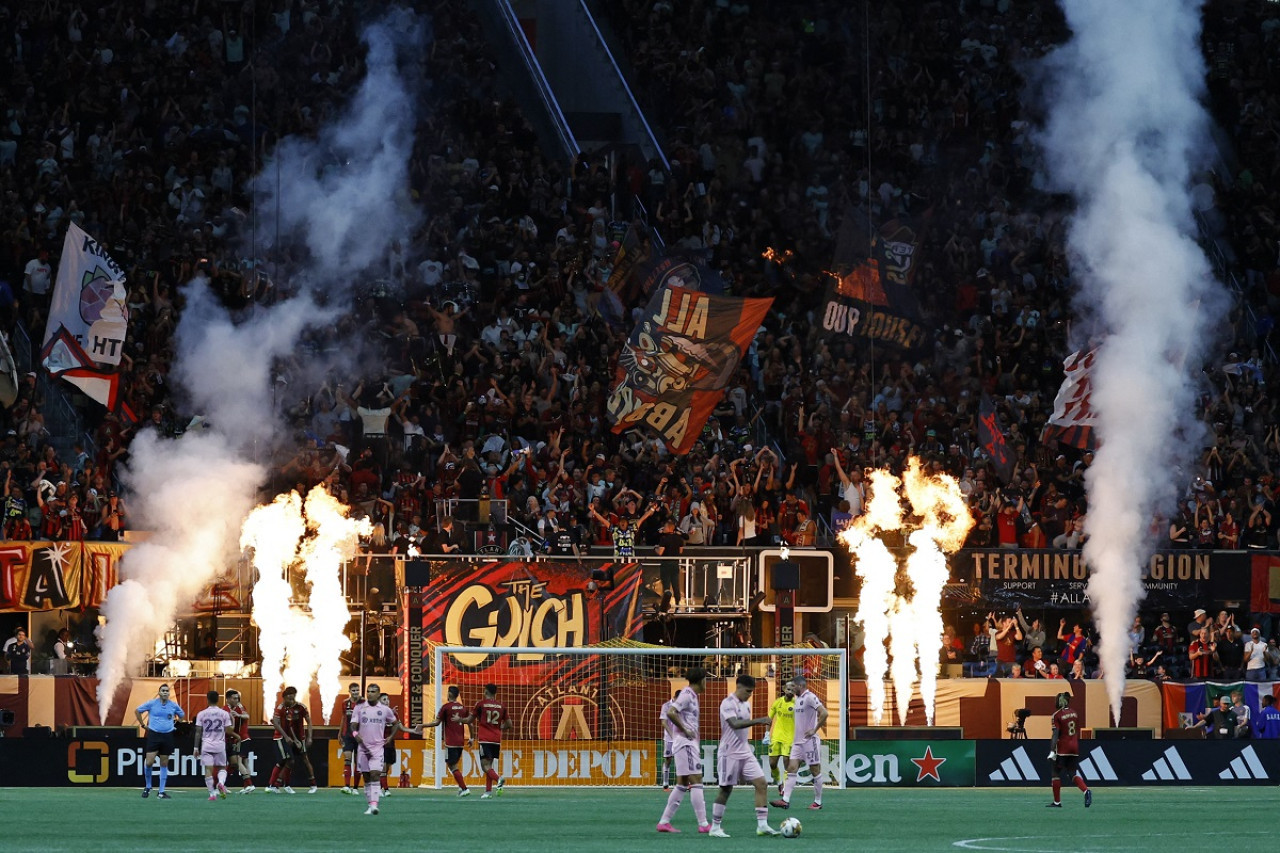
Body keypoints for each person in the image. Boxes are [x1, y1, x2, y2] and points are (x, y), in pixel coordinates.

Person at [708, 674, 781, 838]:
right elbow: (734, 724)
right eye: (747, 691)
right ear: (738, 686)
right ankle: (715, 827)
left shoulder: (746, 704)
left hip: (745, 751)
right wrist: (758, 721)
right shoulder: (727, 703)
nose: (749, 695)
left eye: (752, 692)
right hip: (729, 753)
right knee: (726, 789)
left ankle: (762, 826)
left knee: (762, 783)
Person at [354, 683, 421, 815]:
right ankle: (382, 792)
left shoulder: (389, 713)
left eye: (387, 699)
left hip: (389, 745)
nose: (386, 701)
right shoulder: (366, 710)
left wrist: (412, 730)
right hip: (374, 747)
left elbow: (399, 726)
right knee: (376, 772)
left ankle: (378, 792)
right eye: (384, 699)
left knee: (384, 769)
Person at [657, 667, 710, 834]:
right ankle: (703, 824)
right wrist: (685, 730)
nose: (706, 682)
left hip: (686, 743)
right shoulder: (687, 694)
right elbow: (671, 712)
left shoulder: (692, 696)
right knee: (697, 781)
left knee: (682, 784)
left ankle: (664, 822)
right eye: (706, 679)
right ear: (701, 680)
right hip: (685, 743)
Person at [771, 674, 827, 811]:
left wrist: (814, 730)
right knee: (791, 768)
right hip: (797, 743)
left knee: (815, 770)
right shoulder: (798, 700)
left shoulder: (810, 697)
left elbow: (824, 713)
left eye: (794, 686)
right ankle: (785, 800)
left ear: (800, 686)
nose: (792, 688)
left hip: (809, 741)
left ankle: (818, 802)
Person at [135, 683, 185, 799]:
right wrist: (142, 725)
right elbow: (137, 711)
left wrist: (175, 725)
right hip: (154, 735)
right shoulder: (152, 703)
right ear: (159, 692)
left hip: (167, 736)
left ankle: (161, 791)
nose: (165, 692)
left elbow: (181, 715)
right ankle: (148, 786)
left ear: (169, 693)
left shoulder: (173, 705)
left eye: (167, 691)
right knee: (149, 762)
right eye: (163, 690)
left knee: (164, 763)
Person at [423, 685, 472, 796]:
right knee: (454, 765)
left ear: (449, 694)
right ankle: (461, 787)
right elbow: (469, 722)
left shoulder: (446, 708)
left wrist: (422, 725)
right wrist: (472, 737)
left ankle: (464, 788)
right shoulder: (462, 707)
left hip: (451, 742)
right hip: (460, 742)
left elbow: (436, 723)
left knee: (452, 766)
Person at [267, 686, 317, 794]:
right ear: (285, 698)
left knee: (303, 759)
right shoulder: (282, 709)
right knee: (288, 761)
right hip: (286, 738)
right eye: (290, 698)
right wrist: (290, 738)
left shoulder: (301, 707)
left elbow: (309, 722)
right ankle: (278, 785)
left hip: (299, 738)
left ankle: (313, 784)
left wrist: (309, 737)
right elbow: (281, 724)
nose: (292, 700)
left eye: (293, 698)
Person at [1047, 691, 1091, 808]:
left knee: (1055, 773)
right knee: (1072, 773)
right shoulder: (1074, 713)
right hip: (1075, 746)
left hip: (1063, 747)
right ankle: (1086, 791)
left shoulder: (1056, 715)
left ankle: (1057, 802)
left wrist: (1052, 750)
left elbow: (1056, 734)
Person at [468, 683, 511, 798]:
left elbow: (469, 719)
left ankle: (498, 779)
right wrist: (499, 728)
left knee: (484, 766)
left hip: (485, 738)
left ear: (486, 691)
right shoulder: (501, 706)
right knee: (489, 765)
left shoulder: (481, 704)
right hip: (496, 739)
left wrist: (460, 719)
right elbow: (509, 724)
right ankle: (488, 792)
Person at [193, 689, 234, 802]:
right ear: (218, 700)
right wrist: (233, 721)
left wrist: (196, 748)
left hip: (206, 745)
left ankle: (212, 793)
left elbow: (198, 732)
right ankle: (221, 783)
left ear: (207, 700)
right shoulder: (224, 714)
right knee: (221, 768)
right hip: (220, 745)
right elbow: (229, 730)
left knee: (208, 769)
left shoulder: (201, 714)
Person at [765, 679, 795, 790]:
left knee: (787, 762)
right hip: (776, 737)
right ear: (784, 689)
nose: (790, 691)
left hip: (790, 738)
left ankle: (785, 787)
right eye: (788, 689)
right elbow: (769, 718)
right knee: (772, 763)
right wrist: (767, 734)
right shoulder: (778, 702)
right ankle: (779, 782)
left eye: (792, 689)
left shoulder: (797, 704)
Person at [224, 689, 255, 792]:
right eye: (234, 698)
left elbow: (247, 716)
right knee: (239, 763)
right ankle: (247, 786)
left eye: (237, 698)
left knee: (238, 762)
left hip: (241, 738)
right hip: (233, 739)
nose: (237, 700)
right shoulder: (225, 710)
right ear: (228, 699)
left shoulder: (239, 707)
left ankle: (249, 784)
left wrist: (238, 715)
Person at [654, 518, 685, 611]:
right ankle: (678, 605)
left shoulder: (664, 539)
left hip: (666, 564)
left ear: (668, 528)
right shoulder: (679, 538)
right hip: (675, 563)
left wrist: (655, 548)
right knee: (676, 585)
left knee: (666, 585)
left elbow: (660, 552)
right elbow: (680, 551)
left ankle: (665, 606)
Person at [339, 682, 364, 794]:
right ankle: (347, 786)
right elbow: (343, 718)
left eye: (357, 690)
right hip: (347, 735)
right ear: (349, 692)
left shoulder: (364, 702)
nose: (355, 693)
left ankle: (355, 788)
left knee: (358, 762)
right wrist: (340, 733)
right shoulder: (345, 703)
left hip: (359, 736)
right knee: (347, 758)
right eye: (353, 690)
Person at [659, 691, 679, 790]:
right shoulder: (666, 706)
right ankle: (665, 783)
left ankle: (684, 783)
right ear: (674, 697)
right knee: (668, 759)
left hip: (680, 738)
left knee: (682, 760)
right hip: (669, 738)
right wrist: (672, 735)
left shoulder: (682, 706)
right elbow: (664, 722)